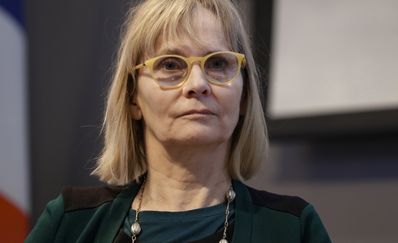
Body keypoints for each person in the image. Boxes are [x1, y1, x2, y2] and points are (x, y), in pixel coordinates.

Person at [26, 0, 332, 242]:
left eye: (217, 63)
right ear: (134, 98)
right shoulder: (69, 221)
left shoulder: (292, 228)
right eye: (170, 65)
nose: (197, 84)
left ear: (244, 97)